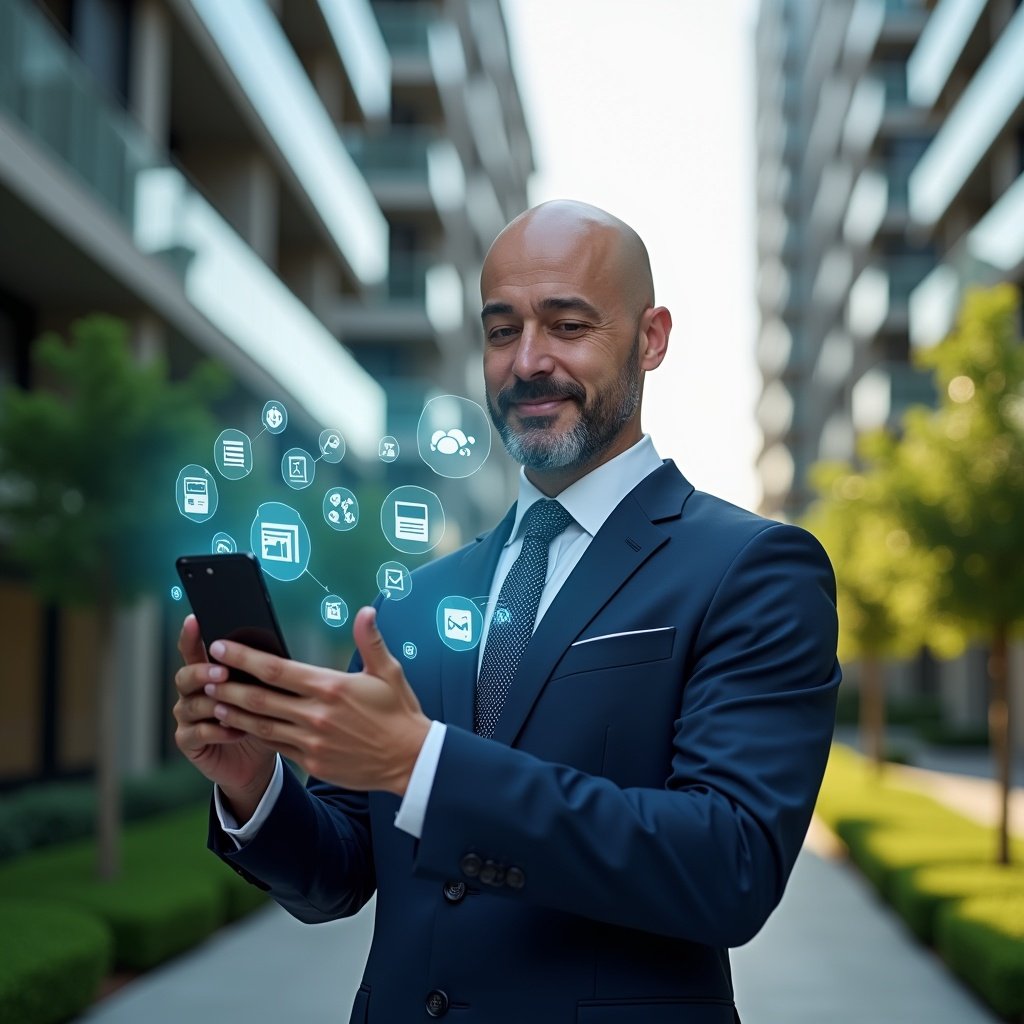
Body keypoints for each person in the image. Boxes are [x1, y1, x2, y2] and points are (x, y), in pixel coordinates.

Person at [174, 200, 840, 1023]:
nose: (528, 362)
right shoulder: (414, 603)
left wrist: (424, 766)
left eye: (566, 325)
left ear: (652, 338)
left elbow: (729, 866)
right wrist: (255, 786)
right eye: (501, 331)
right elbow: (340, 874)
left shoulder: (752, 569)